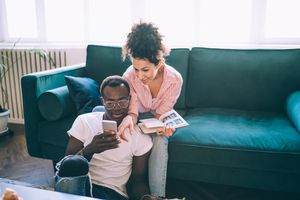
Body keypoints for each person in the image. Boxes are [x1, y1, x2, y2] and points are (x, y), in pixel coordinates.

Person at [55, 75, 154, 200]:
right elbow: (66, 166)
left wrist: (146, 198)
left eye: (122, 101)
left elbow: (138, 182)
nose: (117, 107)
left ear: (129, 100)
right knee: (75, 162)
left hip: (112, 194)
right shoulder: (84, 122)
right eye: (110, 102)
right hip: (80, 186)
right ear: (103, 102)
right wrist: (90, 150)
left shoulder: (140, 137)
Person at [119, 21, 183, 197]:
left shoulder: (174, 80)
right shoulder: (129, 76)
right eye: (136, 68)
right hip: (136, 116)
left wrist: (163, 127)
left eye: (145, 69)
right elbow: (132, 111)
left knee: (161, 140)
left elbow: (162, 114)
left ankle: (156, 196)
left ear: (159, 61)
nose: (139, 76)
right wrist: (128, 120)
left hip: (156, 117)